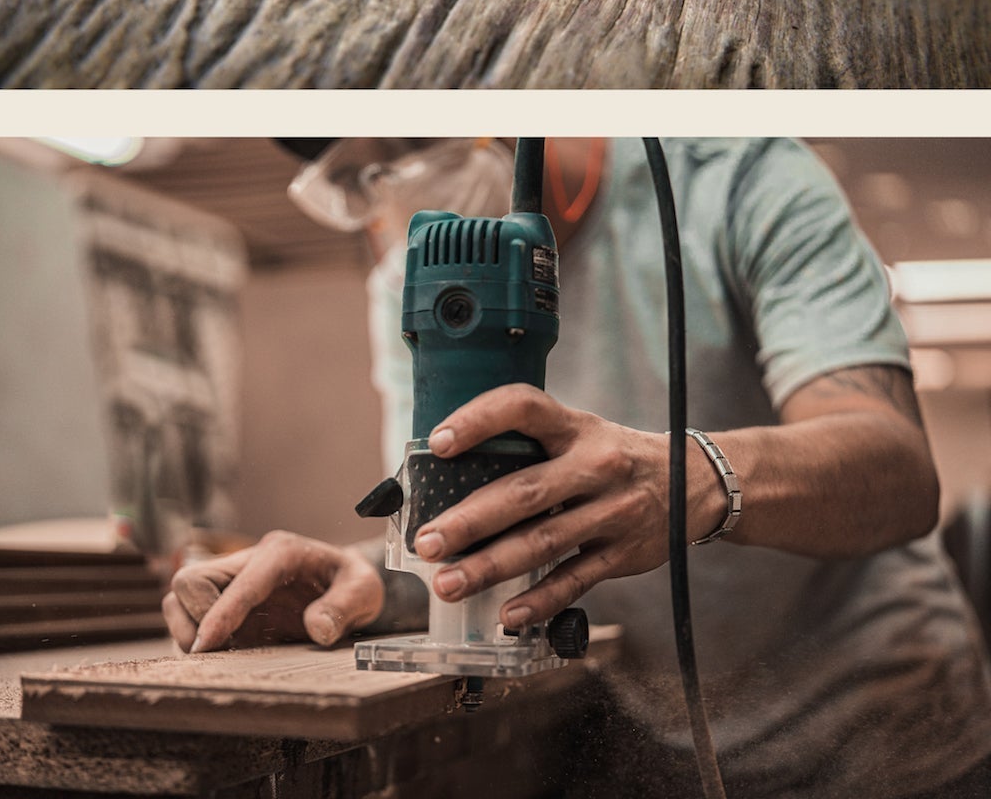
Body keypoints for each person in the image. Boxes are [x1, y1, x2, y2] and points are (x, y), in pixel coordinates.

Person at [164, 138, 991, 799]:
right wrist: (366, 586)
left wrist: (693, 477)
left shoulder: (737, 176)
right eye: (354, 178)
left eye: (407, 146)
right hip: (668, 748)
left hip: (892, 743)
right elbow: (466, 523)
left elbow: (898, 472)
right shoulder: (410, 285)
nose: (392, 188)